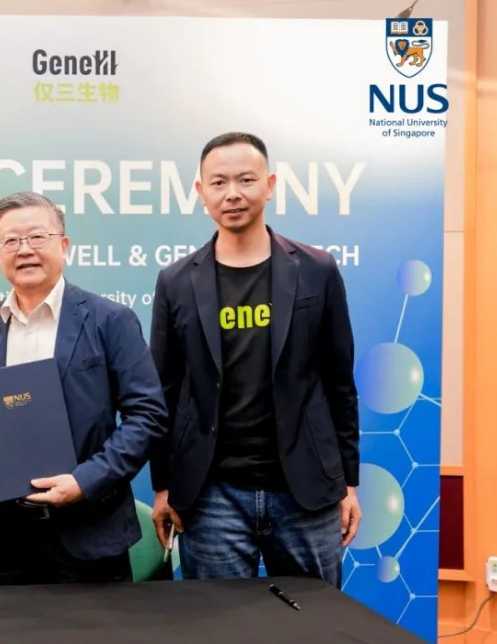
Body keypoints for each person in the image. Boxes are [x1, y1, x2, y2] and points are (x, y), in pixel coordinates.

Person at [148, 132, 361, 587]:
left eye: (246, 180)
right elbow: (163, 392)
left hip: (307, 492)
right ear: (200, 192)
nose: (233, 194)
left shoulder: (317, 269)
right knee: (218, 623)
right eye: (219, 182)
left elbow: (339, 382)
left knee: (314, 621)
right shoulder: (176, 281)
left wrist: (348, 482)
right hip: (211, 496)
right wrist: (163, 486)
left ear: (270, 185)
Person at [0, 191, 167, 586]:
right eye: (11, 241)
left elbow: (147, 417)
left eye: (37, 237)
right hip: (9, 536)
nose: (24, 249)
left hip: (89, 531)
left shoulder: (109, 319)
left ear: (63, 245)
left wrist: (85, 481)